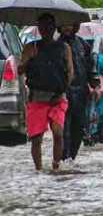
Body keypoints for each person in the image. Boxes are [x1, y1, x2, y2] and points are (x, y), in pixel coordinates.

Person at [18, 14, 73, 170]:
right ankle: (39, 169)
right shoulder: (31, 47)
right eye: (42, 26)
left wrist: (62, 90)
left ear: (54, 28)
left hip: (58, 97)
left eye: (49, 26)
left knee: (58, 133)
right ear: (38, 28)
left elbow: (70, 72)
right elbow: (20, 70)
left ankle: (56, 165)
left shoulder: (64, 48)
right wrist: (29, 59)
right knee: (36, 138)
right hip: (37, 98)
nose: (46, 29)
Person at [59, 23, 94, 161]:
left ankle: (71, 159)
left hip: (81, 93)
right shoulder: (57, 45)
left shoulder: (83, 44)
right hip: (63, 93)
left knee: (79, 128)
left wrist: (95, 85)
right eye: (64, 25)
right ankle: (64, 158)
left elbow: (91, 66)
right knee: (64, 130)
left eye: (70, 25)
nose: (67, 28)